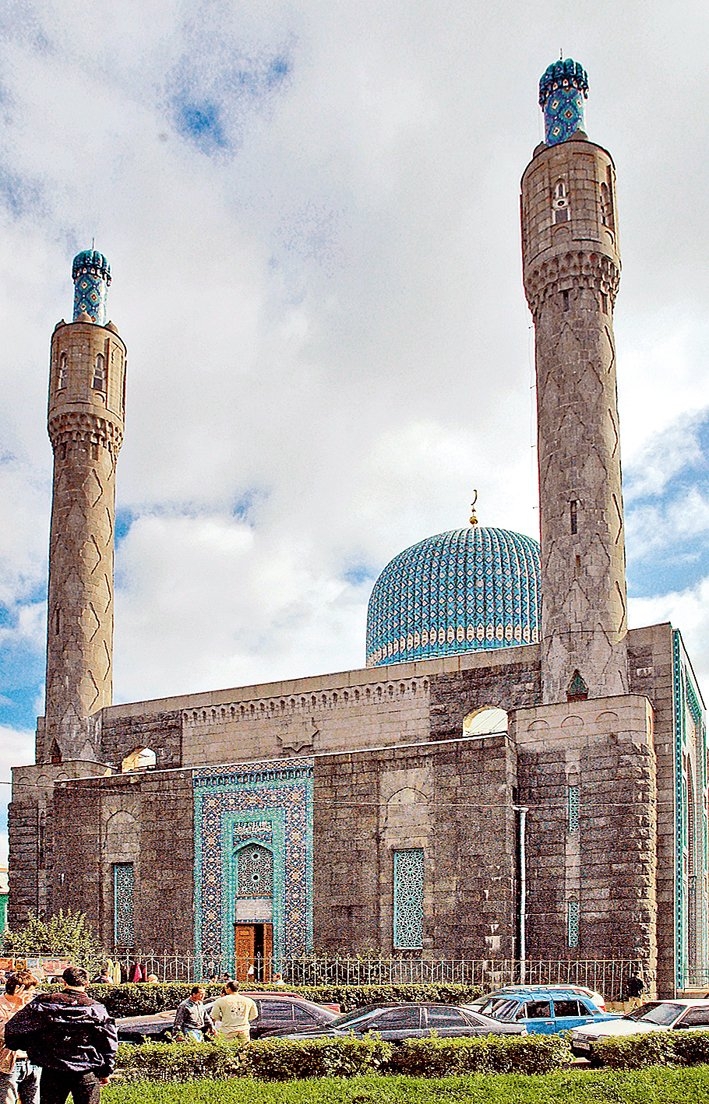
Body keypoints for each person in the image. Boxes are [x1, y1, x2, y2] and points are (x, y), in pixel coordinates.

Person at [4, 965, 117, 1104]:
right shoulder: (96, 1008)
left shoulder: (45, 1002)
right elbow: (109, 1043)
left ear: (64, 982)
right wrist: (105, 1071)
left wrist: (34, 1049)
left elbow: (14, 1030)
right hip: (86, 1068)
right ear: (87, 983)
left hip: (53, 1068)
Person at [0, 970, 41, 1104]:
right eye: (29, 992)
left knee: (33, 1101)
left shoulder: (31, 1006)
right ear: (18, 989)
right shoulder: (2, 1006)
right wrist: (17, 1008)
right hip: (8, 1063)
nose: (31, 995)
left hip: (32, 1062)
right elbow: (5, 1033)